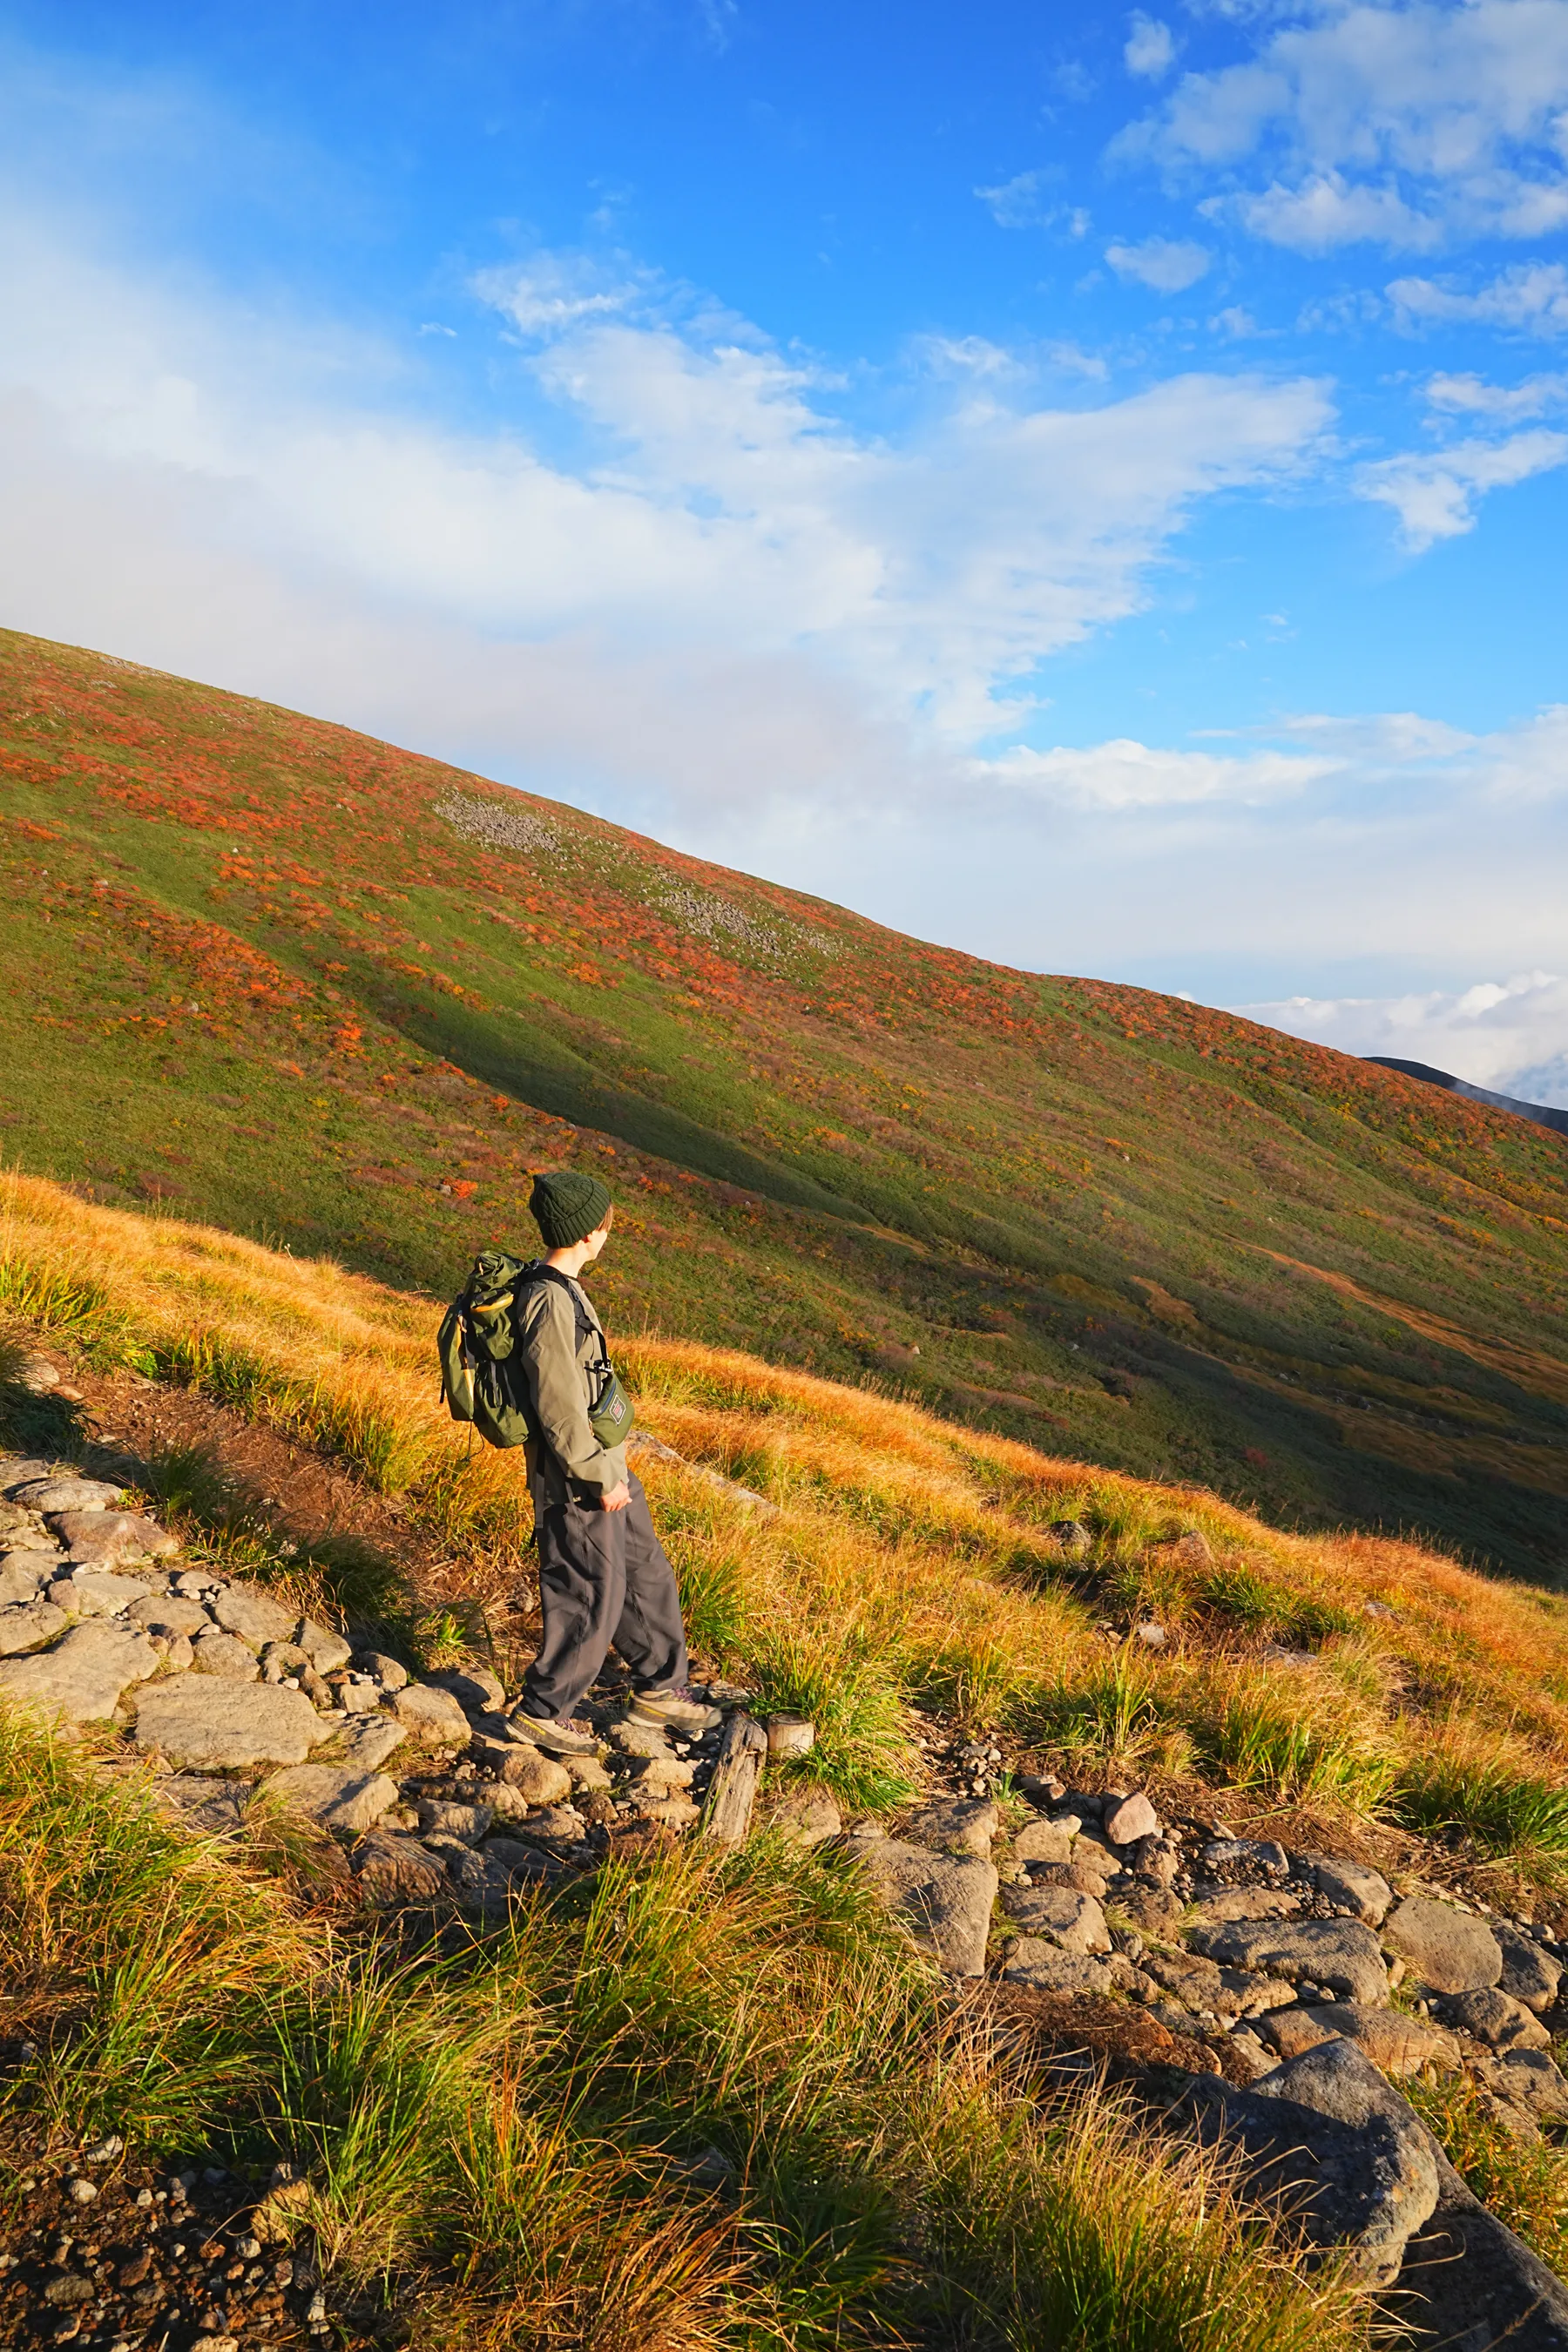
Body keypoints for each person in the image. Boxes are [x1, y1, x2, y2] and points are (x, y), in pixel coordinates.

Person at [510, 1168, 719, 1756]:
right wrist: (599, 1477)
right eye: (604, 1224)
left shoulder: (564, 1289)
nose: (608, 1232)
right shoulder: (547, 1300)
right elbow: (558, 1406)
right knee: (590, 1590)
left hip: (608, 1467)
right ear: (585, 1234)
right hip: (576, 1478)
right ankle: (544, 1710)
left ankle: (661, 1688)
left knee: (644, 1574)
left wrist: (615, 1470)